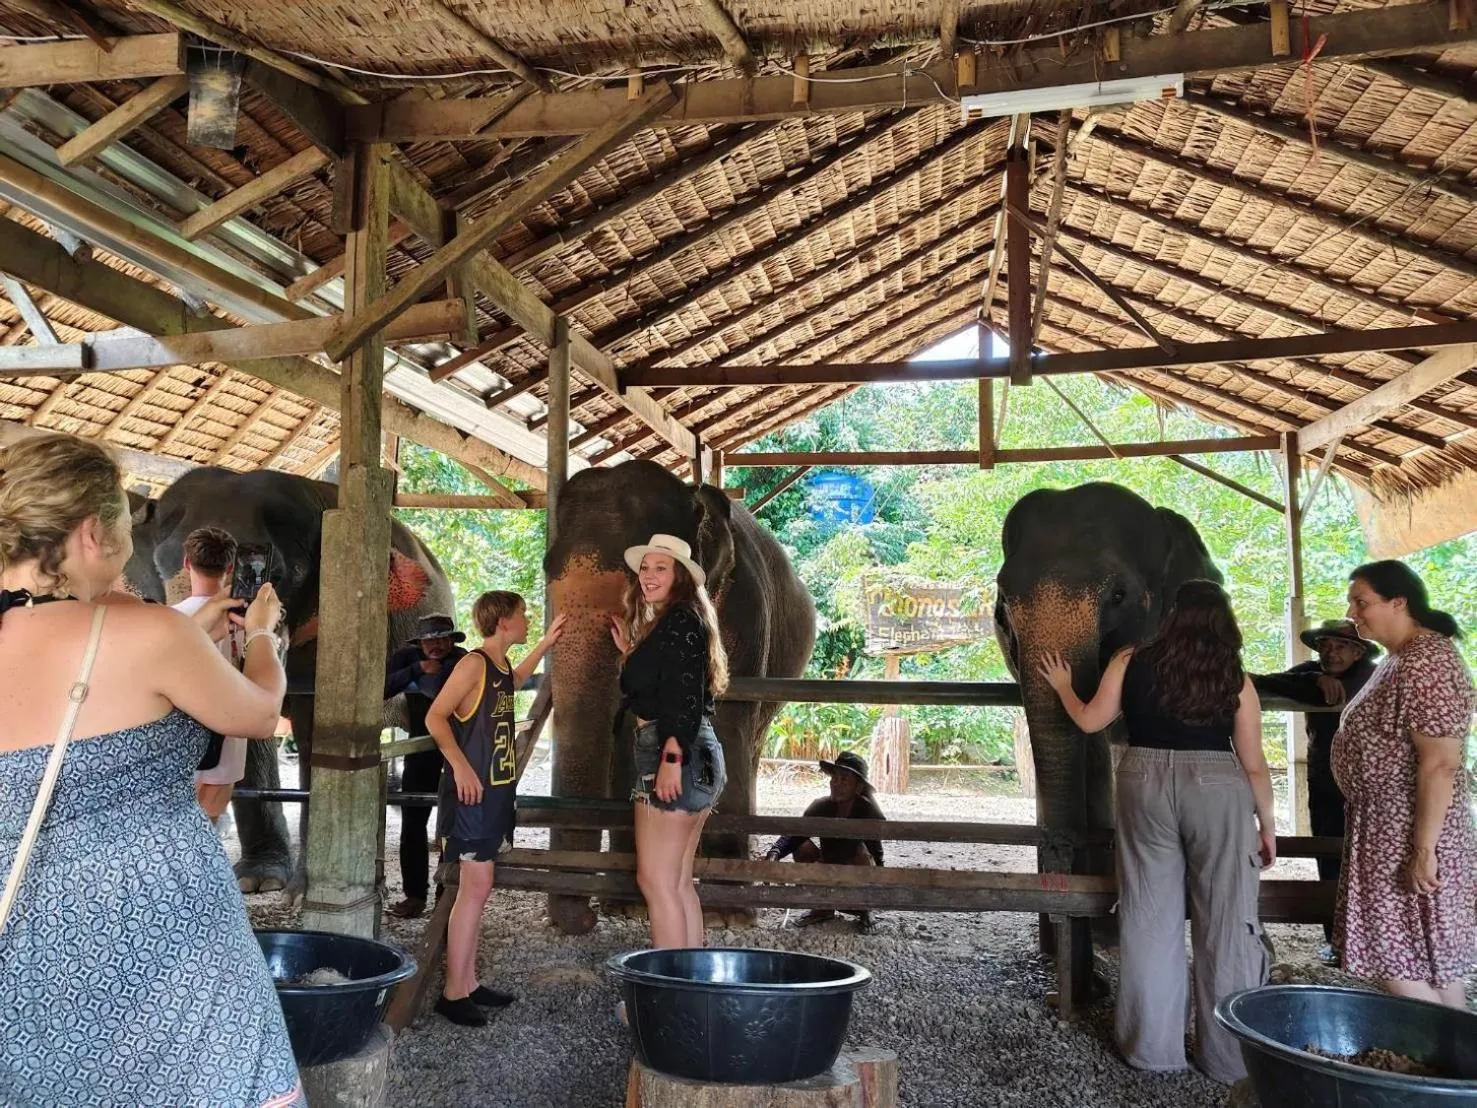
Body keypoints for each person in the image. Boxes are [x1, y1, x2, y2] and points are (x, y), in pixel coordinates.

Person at [0, 432, 300, 1106]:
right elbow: (256, 714)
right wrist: (260, 635)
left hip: (22, 942)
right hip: (165, 934)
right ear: (90, 534)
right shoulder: (149, 635)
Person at [1038, 579, 1275, 1086]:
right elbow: (1253, 764)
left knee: (1149, 916)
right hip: (1216, 784)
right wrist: (1267, 825)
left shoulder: (1131, 659)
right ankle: (1228, 1059)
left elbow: (1089, 722)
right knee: (1227, 922)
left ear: (1170, 616)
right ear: (1223, 619)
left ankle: (1152, 1049)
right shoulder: (1234, 676)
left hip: (1142, 781)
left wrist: (1062, 686)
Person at [1334, 560, 1475, 1009]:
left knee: (1394, 958)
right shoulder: (1401, 658)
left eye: (1362, 601)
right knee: (1420, 958)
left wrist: (1423, 850)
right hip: (1389, 828)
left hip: (1411, 831)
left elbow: (1440, 764)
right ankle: (1454, 1060)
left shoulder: (1427, 660)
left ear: (1399, 602)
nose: (1353, 612)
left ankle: (1444, 1057)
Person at [426, 591, 563, 1027]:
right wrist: (461, 767)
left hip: (494, 795)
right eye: (522, 616)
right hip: (471, 797)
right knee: (473, 890)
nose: (525, 621)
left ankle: (467, 983)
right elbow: (436, 716)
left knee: (478, 890)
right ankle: (452, 992)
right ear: (504, 621)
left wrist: (544, 644)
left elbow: (515, 680)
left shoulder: (499, 666)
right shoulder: (472, 664)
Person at [613, 533, 729, 951]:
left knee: (656, 881)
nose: (648, 575)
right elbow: (668, 683)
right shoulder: (680, 621)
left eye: (660, 568)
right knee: (678, 882)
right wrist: (633, 654)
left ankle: (668, 998)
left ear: (679, 576)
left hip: (674, 747)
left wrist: (670, 755)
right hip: (694, 751)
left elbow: (684, 696)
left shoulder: (680, 621)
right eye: (645, 568)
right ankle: (691, 988)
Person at [1253, 618, 1379, 961]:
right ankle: (1337, 941)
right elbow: (1257, 680)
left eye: (1339, 646)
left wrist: (1312, 684)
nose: (1330, 652)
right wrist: (1314, 678)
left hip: (1369, 783)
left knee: (1368, 859)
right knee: (1327, 855)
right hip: (1324, 778)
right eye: (1324, 645)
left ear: (1359, 651)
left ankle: (1371, 942)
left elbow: (1341, 691)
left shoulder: (1373, 676)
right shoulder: (1312, 672)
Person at [384, 613, 469, 919]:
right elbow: (380, 689)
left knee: (452, 825)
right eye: (430, 639)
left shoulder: (463, 660)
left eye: (443, 638)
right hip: (420, 749)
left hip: (457, 751)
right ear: (419, 643)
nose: (438, 645)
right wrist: (417, 669)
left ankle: (446, 898)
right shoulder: (408, 658)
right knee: (413, 822)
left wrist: (430, 673)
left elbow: (450, 692)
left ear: (452, 640)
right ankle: (415, 895)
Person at [171, 526, 251, 824]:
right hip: (228, 730)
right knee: (209, 823)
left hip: (176, 732)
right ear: (230, 568)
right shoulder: (247, 621)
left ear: (186, 563)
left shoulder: (167, 619)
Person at [764, 751, 885, 930]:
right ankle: (822, 908)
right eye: (834, 778)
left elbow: (876, 854)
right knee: (802, 847)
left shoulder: (867, 812)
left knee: (862, 853)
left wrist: (875, 890)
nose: (836, 783)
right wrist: (774, 853)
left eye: (844, 780)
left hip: (853, 871)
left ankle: (864, 908)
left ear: (858, 788)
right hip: (827, 865)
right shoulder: (821, 807)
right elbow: (796, 833)